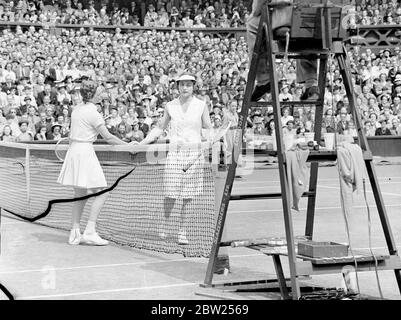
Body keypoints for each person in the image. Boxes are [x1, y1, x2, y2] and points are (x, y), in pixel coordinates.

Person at [134, 73, 212, 245]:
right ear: (177, 87)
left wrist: (209, 139)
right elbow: (160, 127)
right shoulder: (170, 106)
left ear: (193, 87)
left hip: (194, 154)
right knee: (170, 193)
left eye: (188, 85)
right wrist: (144, 142)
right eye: (182, 84)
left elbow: (207, 128)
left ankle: (182, 231)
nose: (185, 88)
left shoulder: (201, 105)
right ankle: (165, 223)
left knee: (188, 196)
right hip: (175, 154)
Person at [57, 80, 129, 246]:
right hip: (84, 153)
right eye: (100, 91)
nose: (103, 93)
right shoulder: (92, 113)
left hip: (74, 151)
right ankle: (90, 231)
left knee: (80, 195)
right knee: (103, 192)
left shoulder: (76, 110)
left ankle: (74, 233)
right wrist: (129, 146)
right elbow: (109, 138)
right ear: (93, 94)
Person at [247, 0, 318, 101]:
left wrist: (256, 10)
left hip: (284, 19)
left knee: (252, 25)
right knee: (307, 31)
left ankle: (264, 79)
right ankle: (311, 83)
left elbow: (257, 9)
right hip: (313, 20)